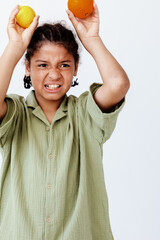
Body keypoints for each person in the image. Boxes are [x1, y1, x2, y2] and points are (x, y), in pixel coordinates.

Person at [0, 3, 130, 240]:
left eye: (64, 65)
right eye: (42, 65)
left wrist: (92, 39)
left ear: (75, 68)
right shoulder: (16, 113)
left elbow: (118, 85)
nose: (54, 74)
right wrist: (15, 47)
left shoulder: (85, 114)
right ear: (27, 67)